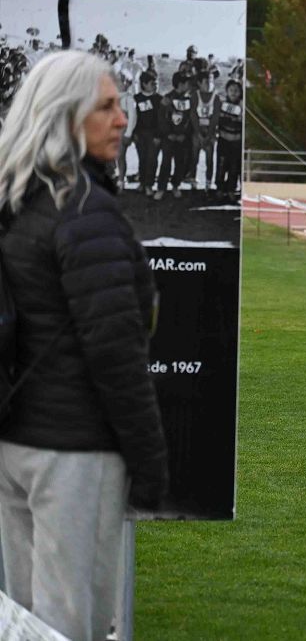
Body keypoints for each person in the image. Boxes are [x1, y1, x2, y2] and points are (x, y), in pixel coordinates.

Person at [0, 50, 168, 641]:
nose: (123, 119)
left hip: (15, 447)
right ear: (65, 117)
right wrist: (149, 461)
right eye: (106, 106)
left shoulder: (16, 202)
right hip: (73, 454)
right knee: (74, 628)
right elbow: (116, 353)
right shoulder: (84, 212)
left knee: (24, 624)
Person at [156, 71, 194, 199]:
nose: (189, 85)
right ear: (180, 84)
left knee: (180, 162)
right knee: (166, 162)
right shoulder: (167, 98)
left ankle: (176, 185)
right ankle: (161, 187)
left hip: (182, 138)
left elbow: (190, 119)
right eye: (187, 83)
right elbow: (162, 118)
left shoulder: (189, 100)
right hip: (169, 138)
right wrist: (168, 134)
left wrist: (185, 134)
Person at [133, 70, 163, 196]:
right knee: (142, 158)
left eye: (156, 83)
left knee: (152, 159)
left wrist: (158, 135)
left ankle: (149, 184)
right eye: (152, 83)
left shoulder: (159, 99)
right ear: (144, 84)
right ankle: (142, 182)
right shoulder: (137, 99)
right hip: (140, 134)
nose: (155, 85)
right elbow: (134, 118)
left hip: (154, 135)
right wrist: (134, 133)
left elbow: (161, 120)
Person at [215, 79, 243, 199]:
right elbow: (219, 120)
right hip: (223, 141)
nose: (233, 93)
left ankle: (231, 189)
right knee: (221, 166)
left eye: (236, 90)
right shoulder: (222, 105)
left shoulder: (242, 106)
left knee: (234, 168)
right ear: (226, 91)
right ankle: (220, 189)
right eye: (231, 90)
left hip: (236, 142)